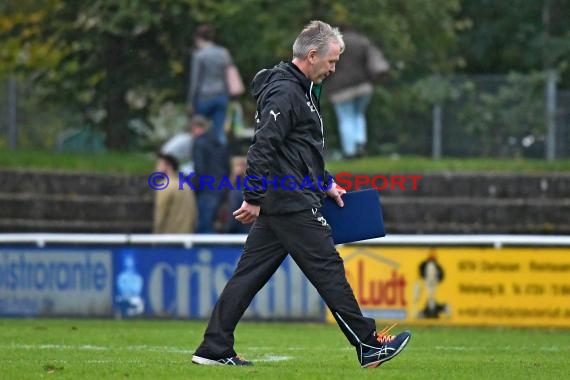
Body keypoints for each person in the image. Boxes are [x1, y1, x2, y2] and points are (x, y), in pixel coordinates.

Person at [192, 20, 410, 368]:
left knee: (248, 275)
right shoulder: (287, 92)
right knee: (328, 269)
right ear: (312, 55)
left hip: (287, 200)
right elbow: (263, 146)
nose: (333, 68)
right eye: (332, 61)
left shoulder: (300, 90)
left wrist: (326, 182)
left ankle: (213, 347)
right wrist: (252, 197)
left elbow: (299, 150)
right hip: (290, 202)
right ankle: (368, 344)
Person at [325, 25, 389, 158]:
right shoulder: (363, 41)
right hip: (363, 85)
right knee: (359, 115)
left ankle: (350, 150)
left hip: (340, 89)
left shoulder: (334, 45)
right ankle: (360, 141)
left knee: (345, 117)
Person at [187, 24, 235, 145]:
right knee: (219, 131)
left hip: (204, 97)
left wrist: (191, 102)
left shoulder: (199, 56)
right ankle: (220, 159)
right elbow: (229, 75)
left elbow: (195, 81)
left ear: (198, 38)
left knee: (199, 130)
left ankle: (200, 157)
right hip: (221, 95)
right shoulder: (223, 52)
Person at [190, 114, 230, 233]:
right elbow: (227, 167)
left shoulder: (199, 143)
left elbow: (199, 168)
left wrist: (194, 188)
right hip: (222, 187)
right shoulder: (219, 142)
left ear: (195, 127)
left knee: (204, 225)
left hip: (207, 189)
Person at [153, 152, 197, 233]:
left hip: (169, 235)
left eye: (160, 164)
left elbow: (160, 213)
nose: (156, 167)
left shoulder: (164, 186)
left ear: (168, 166)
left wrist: (156, 234)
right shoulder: (186, 185)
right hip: (186, 235)